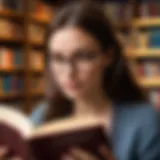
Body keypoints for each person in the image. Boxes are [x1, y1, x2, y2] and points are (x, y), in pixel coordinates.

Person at [1, 1, 160, 160]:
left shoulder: (145, 123)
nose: (69, 72)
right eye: (58, 58)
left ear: (108, 56)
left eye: (82, 56)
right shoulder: (41, 116)